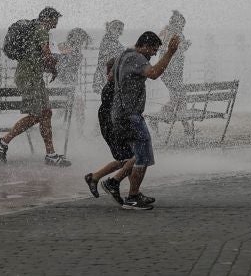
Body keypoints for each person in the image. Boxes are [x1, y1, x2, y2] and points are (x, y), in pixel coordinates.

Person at [105, 31, 180, 210]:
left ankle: (120, 186)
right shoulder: (137, 57)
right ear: (144, 46)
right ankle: (129, 195)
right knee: (143, 155)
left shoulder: (123, 55)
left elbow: (109, 77)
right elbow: (153, 73)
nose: (154, 54)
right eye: (153, 50)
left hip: (121, 114)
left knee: (139, 154)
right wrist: (170, 53)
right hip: (129, 115)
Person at [0, 7, 71, 166]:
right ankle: (3, 141)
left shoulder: (34, 29)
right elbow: (46, 53)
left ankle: (50, 154)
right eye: (55, 21)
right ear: (48, 18)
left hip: (33, 77)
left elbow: (37, 55)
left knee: (46, 112)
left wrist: (49, 67)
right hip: (28, 78)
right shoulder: (42, 29)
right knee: (38, 114)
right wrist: (54, 67)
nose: (55, 26)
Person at [84, 57, 141, 204]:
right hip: (114, 128)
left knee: (126, 159)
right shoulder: (113, 87)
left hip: (114, 127)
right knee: (134, 157)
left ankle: (96, 177)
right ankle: (120, 187)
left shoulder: (115, 85)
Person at [54, 28, 92, 133]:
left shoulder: (75, 50)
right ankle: (75, 131)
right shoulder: (64, 47)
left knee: (77, 107)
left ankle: (79, 132)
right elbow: (59, 65)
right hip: (61, 83)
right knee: (65, 108)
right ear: (74, 38)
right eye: (80, 39)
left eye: (82, 40)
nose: (81, 42)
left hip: (70, 84)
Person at [93, 20, 125, 94]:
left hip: (108, 73)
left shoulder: (110, 40)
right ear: (113, 29)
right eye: (118, 29)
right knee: (109, 96)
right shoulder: (109, 41)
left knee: (109, 96)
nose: (120, 33)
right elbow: (112, 56)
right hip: (107, 73)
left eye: (120, 30)